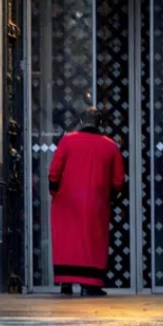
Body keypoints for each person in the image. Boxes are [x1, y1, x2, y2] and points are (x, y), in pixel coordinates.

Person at [47, 107, 125, 297]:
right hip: (96, 203)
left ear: (81, 120)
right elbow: (118, 180)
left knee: (67, 241)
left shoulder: (67, 141)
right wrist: (110, 197)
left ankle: (65, 283)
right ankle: (91, 284)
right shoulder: (110, 146)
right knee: (93, 242)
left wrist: (55, 192)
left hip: (66, 202)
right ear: (99, 123)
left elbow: (54, 172)